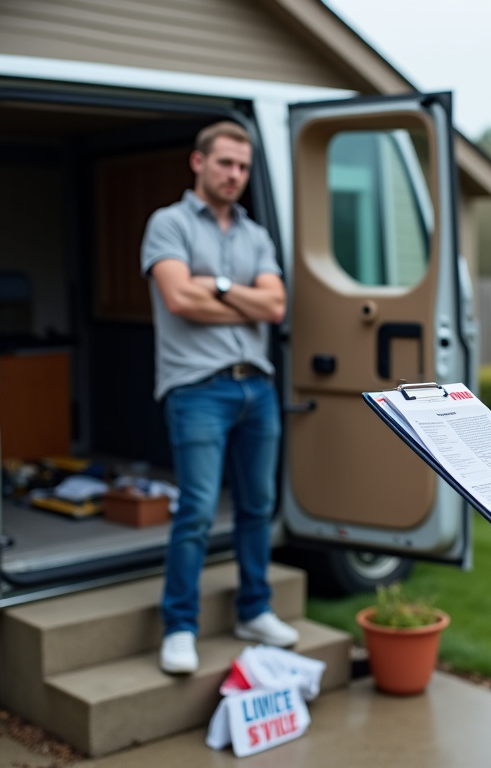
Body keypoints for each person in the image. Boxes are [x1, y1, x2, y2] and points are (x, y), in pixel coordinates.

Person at [142, 121, 297, 675]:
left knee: (257, 507)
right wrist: (242, 297)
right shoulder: (169, 223)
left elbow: (276, 307)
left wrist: (221, 286)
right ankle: (179, 625)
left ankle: (254, 610)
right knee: (199, 511)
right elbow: (179, 297)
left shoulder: (255, 234)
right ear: (198, 163)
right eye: (225, 162)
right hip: (197, 388)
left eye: (242, 167)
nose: (235, 174)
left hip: (256, 385)